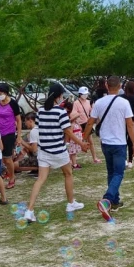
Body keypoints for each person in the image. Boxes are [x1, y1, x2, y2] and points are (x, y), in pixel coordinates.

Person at [22, 84, 87, 222]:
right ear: (58, 96)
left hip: (44, 151)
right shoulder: (61, 112)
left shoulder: (40, 111)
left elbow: (41, 129)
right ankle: (70, 204)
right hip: (58, 150)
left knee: (40, 180)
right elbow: (68, 131)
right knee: (68, 174)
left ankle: (29, 211)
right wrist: (81, 143)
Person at [82, 76, 134, 221]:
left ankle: (115, 201)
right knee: (118, 173)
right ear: (120, 86)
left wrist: (84, 139)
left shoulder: (99, 103)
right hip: (119, 143)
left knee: (111, 172)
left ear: (107, 85)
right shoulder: (124, 103)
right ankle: (107, 199)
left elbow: (90, 123)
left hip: (105, 143)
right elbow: (130, 125)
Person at [0, 82, 22, 190]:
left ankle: (12, 177)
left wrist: (19, 136)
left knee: (7, 159)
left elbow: (18, 120)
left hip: (8, 133)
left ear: (6, 93)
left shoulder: (12, 103)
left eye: (0, 93)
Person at [71, 88, 100, 164]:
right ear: (80, 94)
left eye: (86, 94)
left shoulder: (89, 102)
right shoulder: (76, 103)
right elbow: (74, 114)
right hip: (79, 124)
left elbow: (91, 112)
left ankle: (94, 158)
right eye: (84, 94)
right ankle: (73, 161)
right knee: (75, 142)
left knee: (90, 141)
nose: (85, 95)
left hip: (86, 123)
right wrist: (77, 123)